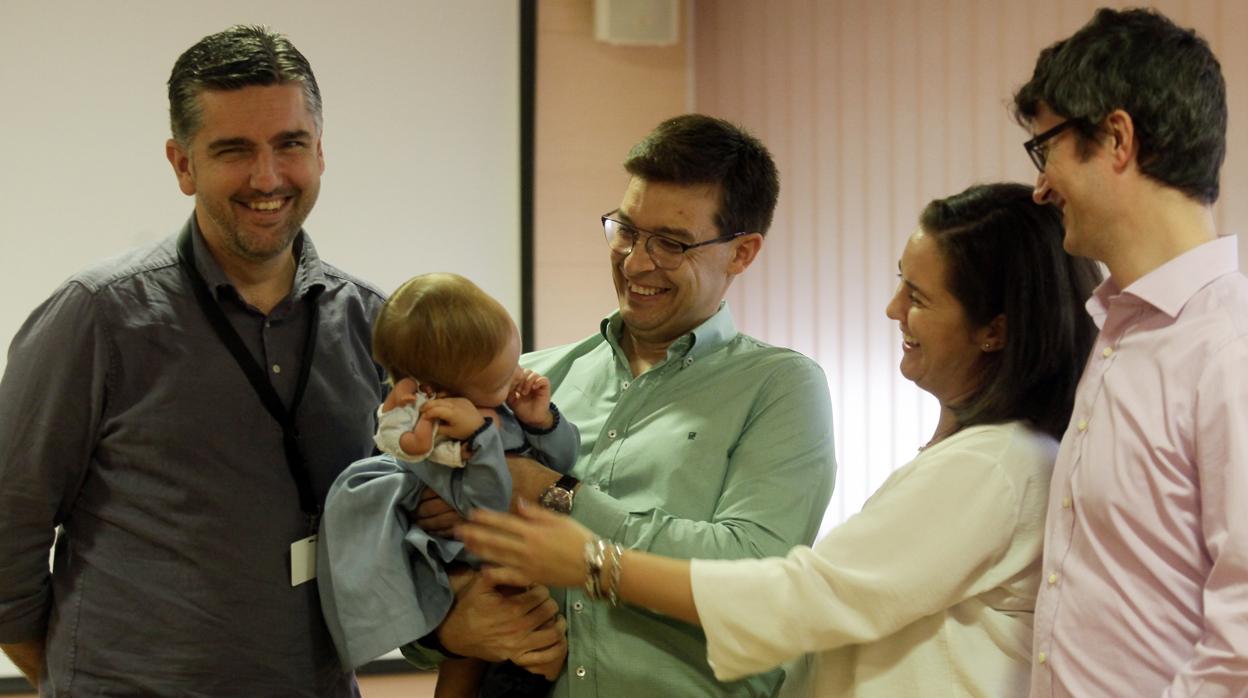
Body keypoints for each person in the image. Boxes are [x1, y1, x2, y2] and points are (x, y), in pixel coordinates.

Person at [0, 25, 559, 695]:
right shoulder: (98, 316)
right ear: (182, 165)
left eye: (289, 145)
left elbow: (407, 528)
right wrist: (70, 675)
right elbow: (11, 525)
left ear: (319, 152)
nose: (268, 178)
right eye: (234, 150)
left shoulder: (378, 327)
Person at [460, 183, 1103, 697]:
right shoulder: (537, 378)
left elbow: (799, 593)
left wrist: (595, 560)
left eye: (919, 295)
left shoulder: (992, 463)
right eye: (627, 231)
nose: (891, 309)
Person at [409, 114, 838, 696]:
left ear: (742, 253)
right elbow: (423, 546)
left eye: (671, 243)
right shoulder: (530, 378)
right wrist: (451, 627)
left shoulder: (781, 388)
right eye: (626, 230)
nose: (636, 262)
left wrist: (553, 492)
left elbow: (752, 571)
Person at [1012, 7, 1248, 695]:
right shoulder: (1120, 329)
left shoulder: (1228, 350)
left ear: (1116, 138)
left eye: (1045, 148)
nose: (1040, 185)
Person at [317, 273, 576, 696]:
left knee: (535, 648)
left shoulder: (497, 407)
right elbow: (489, 504)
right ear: (438, 393)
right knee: (512, 655)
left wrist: (541, 421)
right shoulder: (435, 435)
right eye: (500, 379)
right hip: (467, 561)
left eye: (513, 364)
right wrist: (480, 440)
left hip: (509, 552)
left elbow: (563, 464)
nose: (515, 379)